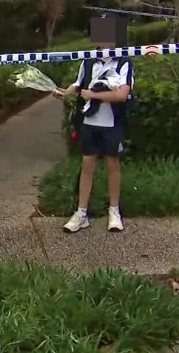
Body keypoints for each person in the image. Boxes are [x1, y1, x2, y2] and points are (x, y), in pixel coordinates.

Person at [53, 17, 134, 233]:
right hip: (89, 122)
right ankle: (81, 213)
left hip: (112, 123)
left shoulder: (124, 62)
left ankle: (114, 211)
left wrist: (94, 95)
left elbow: (122, 94)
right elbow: (78, 84)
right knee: (87, 166)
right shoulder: (88, 61)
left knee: (112, 166)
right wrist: (63, 93)